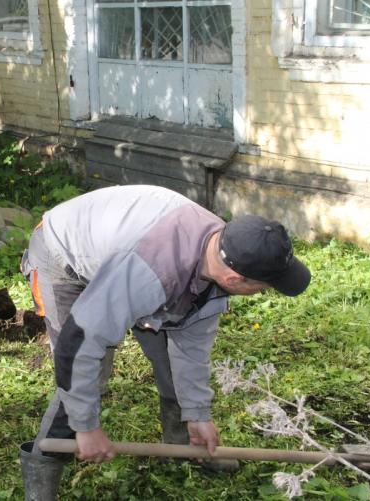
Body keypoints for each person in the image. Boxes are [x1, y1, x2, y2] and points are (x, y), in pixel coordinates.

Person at [18, 185, 311, 499]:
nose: (263, 293)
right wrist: (86, 426)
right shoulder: (152, 272)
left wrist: (198, 414)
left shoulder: (222, 252)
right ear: (234, 279)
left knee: (169, 362)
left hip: (127, 259)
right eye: (263, 288)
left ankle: (183, 446)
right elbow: (77, 345)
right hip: (63, 256)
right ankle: (42, 475)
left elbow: (191, 348)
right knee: (87, 370)